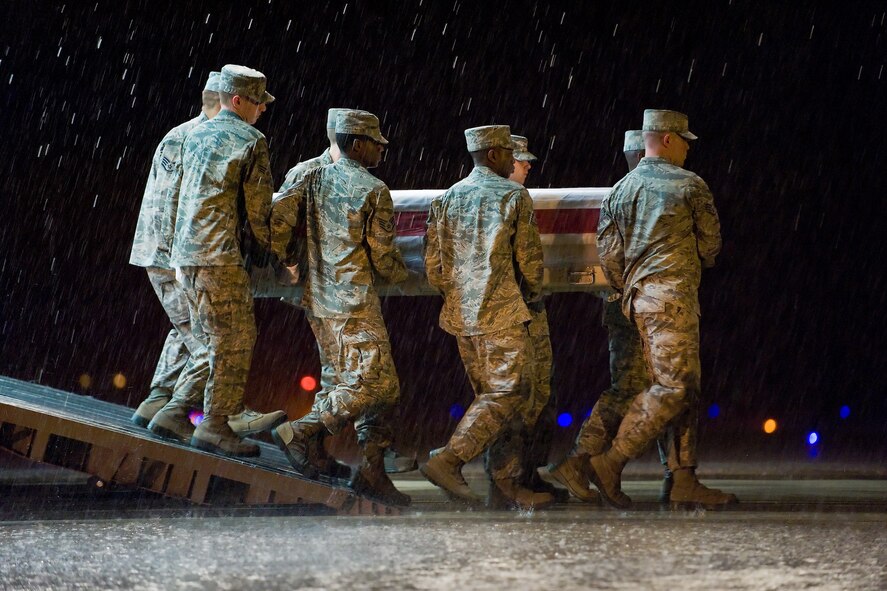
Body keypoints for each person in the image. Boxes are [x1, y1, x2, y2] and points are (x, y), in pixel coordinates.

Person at [589, 109, 737, 509]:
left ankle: (683, 479)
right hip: (673, 299)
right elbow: (711, 246)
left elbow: (610, 256)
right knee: (675, 387)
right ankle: (610, 462)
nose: (688, 149)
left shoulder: (619, 190)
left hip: (639, 301)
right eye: (684, 141)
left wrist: (634, 284)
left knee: (682, 386)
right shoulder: (690, 185)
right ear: (667, 139)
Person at [270, 110, 411, 507]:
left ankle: (367, 469)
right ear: (358, 144)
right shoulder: (373, 188)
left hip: (319, 299)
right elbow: (383, 258)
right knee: (380, 385)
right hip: (354, 301)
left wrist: (285, 263)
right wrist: (408, 273)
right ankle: (302, 431)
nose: (381, 150)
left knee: (339, 381)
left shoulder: (309, 176)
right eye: (376, 143)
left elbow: (279, 223)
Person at [152, 64, 285, 458]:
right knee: (236, 340)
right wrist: (279, 252)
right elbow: (259, 212)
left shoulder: (193, 134)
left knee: (211, 340)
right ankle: (214, 425)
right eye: (258, 102)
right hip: (219, 255)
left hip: (186, 255)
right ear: (238, 100)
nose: (263, 109)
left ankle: (173, 412)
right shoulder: (251, 139)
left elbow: (177, 195)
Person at [420, 125, 552, 510]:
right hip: (502, 311)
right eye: (509, 153)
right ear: (494, 155)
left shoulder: (447, 198)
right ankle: (448, 460)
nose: (514, 160)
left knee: (492, 399)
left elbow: (434, 267)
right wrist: (529, 296)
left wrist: (460, 296)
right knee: (510, 393)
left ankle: (505, 485)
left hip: (462, 317)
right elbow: (529, 263)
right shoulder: (513, 196)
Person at [129, 72, 222, 429]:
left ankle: (157, 400)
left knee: (186, 328)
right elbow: (167, 202)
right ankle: (206, 412)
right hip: (170, 256)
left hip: (171, 253)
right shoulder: (189, 138)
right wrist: (179, 258)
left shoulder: (192, 136)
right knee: (210, 338)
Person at [505, 135, 569, 504]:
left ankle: (525, 472)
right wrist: (535, 289)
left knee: (537, 394)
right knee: (522, 394)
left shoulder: (517, 197)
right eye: (521, 160)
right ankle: (511, 476)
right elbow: (528, 262)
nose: (528, 165)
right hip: (519, 311)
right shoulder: (515, 199)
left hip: (518, 309)